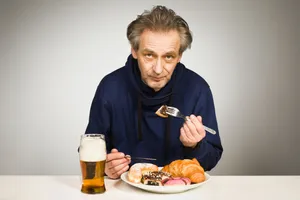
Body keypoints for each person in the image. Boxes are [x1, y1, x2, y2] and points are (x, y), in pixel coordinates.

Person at [85, 5, 223, 179]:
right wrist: (103, 166)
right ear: (134, 51)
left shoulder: (197, 89)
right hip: (124, 190)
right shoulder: (110, 87)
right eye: (149, 55)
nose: (158, 69)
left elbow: (211, 159)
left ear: (179, 56)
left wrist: (195, 146)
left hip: (178, 190)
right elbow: (89, 148)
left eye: (168, 57)